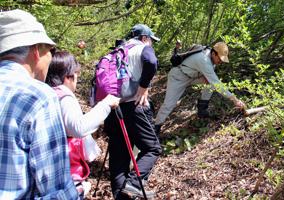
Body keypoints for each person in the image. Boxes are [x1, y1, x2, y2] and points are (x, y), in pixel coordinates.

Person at [0, 9, 78, 199]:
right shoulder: (38, 97)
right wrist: (76, 191)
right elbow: (55, 189)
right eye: (49, 51)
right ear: (36, 51)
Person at [45, 50, 120, 198]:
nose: (77, 79)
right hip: (66, 168)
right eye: (76, 74)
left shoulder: (47, 92)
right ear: (68, 76)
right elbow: (78, 127)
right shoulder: (63, 95)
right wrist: (105, 104)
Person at [104, 24, 162, 200]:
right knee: (153, 148)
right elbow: (151, 62)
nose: (151, 43)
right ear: (145, 37)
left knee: (119, 156)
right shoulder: (142, 48)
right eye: (151, 40)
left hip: (112, 108)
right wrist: (143, 87)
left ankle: (120, 196)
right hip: (135, 105)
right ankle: (133, 184)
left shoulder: (116, 52)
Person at [155, 42, 246, 134]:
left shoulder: (211, 59)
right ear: (214, 53)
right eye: (220, 59)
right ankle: (156, 127)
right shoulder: (204, 60)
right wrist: (234, 99)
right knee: (169, 104)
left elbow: (213, 82)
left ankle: (202, 110)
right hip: (178, 77)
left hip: (192, 77)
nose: (221, 62)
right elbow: (217, 84)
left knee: (210, 83)